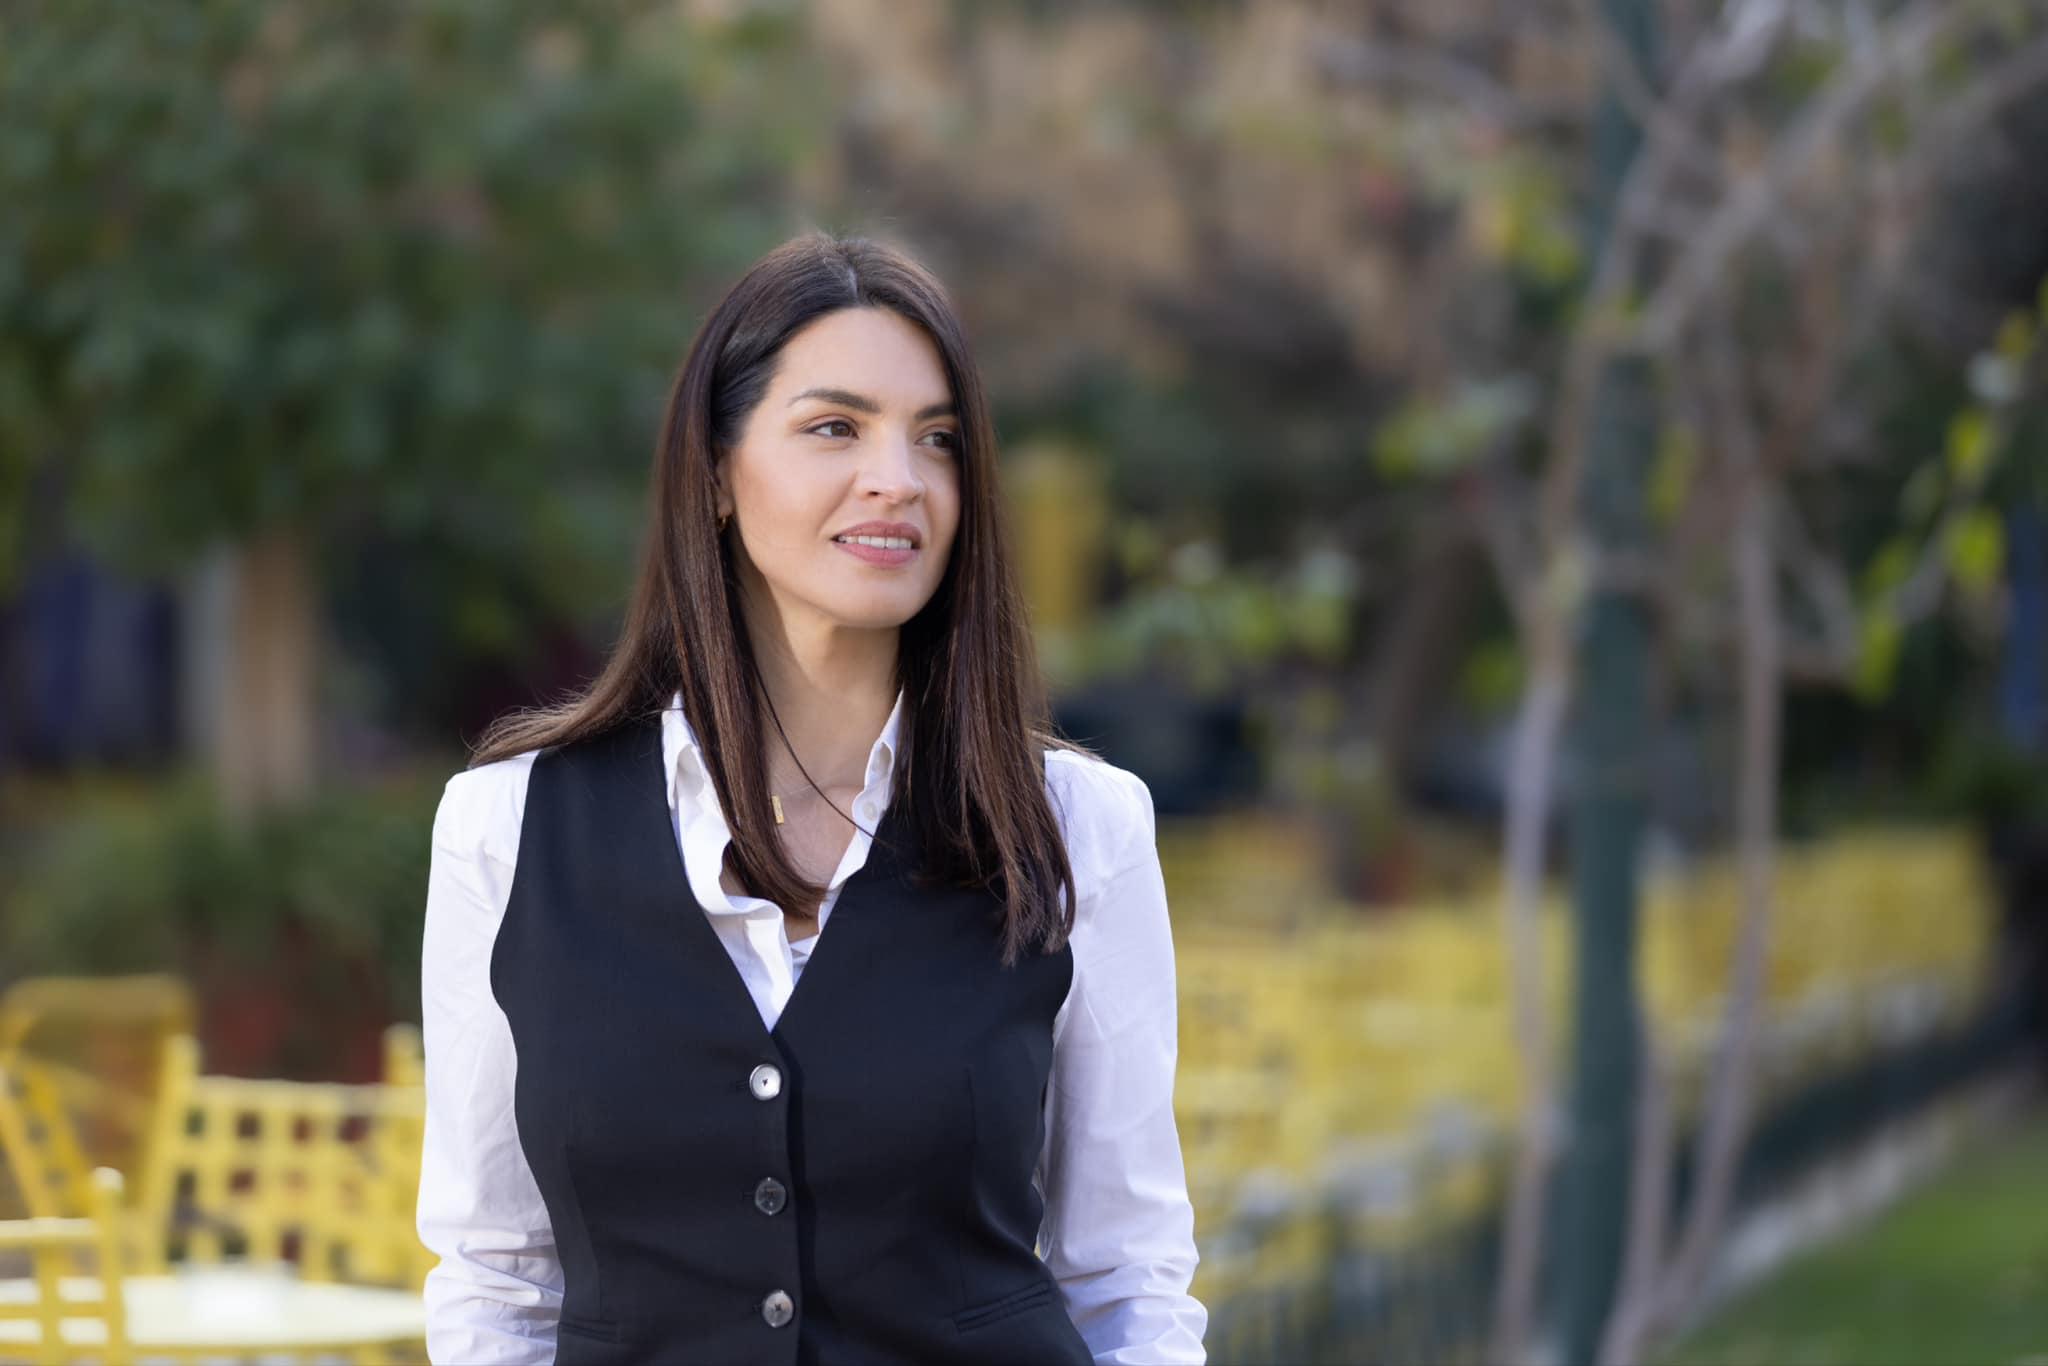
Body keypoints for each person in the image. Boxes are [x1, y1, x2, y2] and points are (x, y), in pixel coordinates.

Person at [416, 231, 1209, 1364]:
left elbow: (1127, 1276)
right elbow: (497, 1276)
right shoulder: (506, 826)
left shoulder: (1077, 825)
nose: (899, 477)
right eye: (836, 427)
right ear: (714, 473)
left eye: (937, 439)